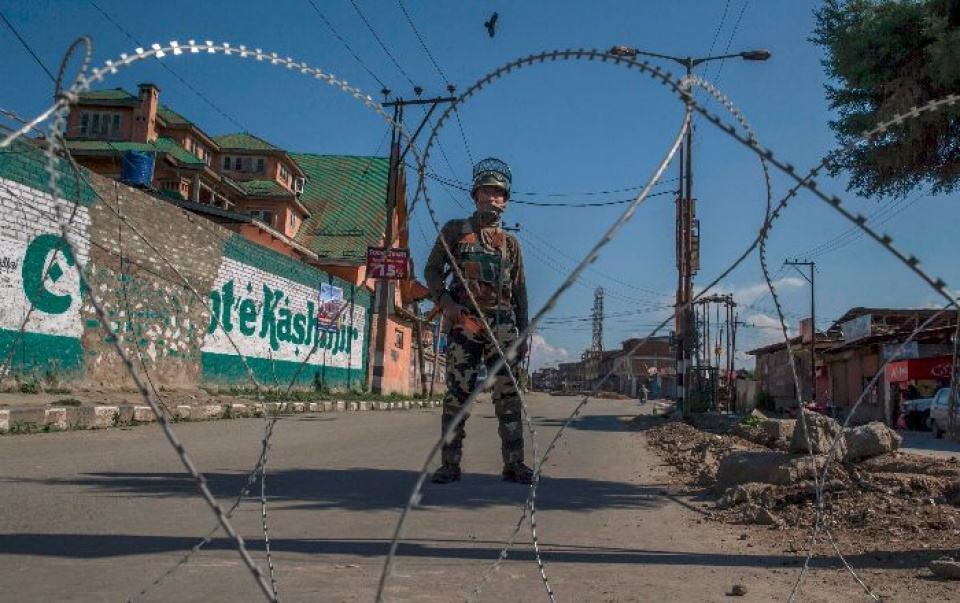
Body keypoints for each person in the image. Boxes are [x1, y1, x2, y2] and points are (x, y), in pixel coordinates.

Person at [423, 157, 532, 485]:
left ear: (506, 200)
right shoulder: (455, 231)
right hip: (465, 324)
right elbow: (431, 270)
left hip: (502, 325)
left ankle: (514, 464)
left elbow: (520, 290)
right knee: (458, 394)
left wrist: (523, 333)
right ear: (475, 194)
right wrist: (445, 303)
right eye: (487, 190)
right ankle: (449, 464)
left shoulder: (511, 245)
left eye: (499, 193)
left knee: (508, 397)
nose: (493, 197)